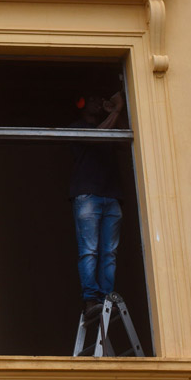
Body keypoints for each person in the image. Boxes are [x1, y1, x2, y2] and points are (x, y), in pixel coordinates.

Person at [70, 91, 125, 317]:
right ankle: (91, 299)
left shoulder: (109, 123)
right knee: (90, 250)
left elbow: (125, 135)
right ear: (82, 103)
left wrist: (115, 113)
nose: (97, 101)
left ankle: (106, 298)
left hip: (111, 194)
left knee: (109, 252)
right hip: (87, 195)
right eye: (92, 97)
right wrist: (118, 108)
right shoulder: (76, 126)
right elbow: (98, 136)